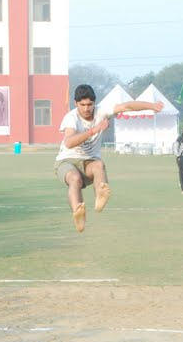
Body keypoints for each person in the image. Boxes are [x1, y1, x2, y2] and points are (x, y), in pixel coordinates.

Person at [56, 84, 163, 232]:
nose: (86, 109)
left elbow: (127, 106)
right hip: (67, 161)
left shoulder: (101, 111)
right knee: (75, 179)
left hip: (89, 161)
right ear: (76, 103)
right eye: (82, 105)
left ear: (94, 103)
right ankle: (78, 213)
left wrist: (151, 105)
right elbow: (69, 142)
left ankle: (100, 194)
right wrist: (94, 129)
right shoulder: (71, 118)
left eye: (90, 105)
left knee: (99, 165)